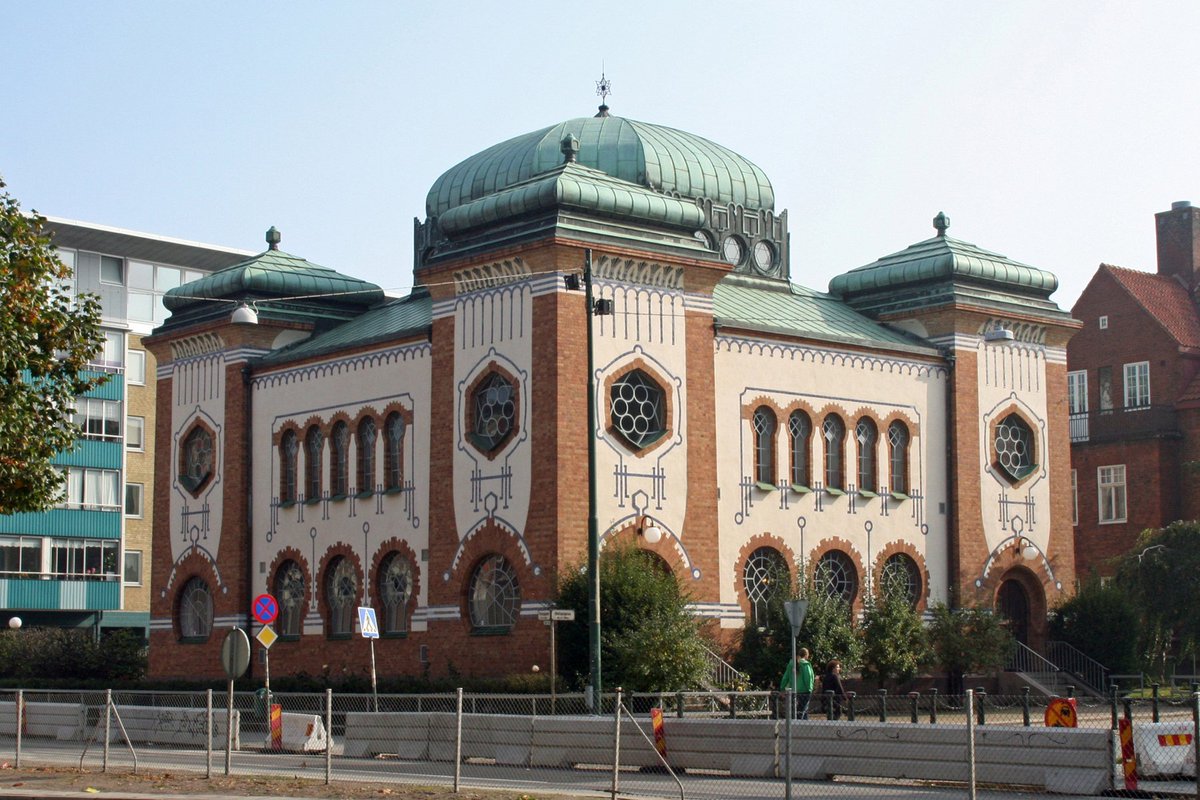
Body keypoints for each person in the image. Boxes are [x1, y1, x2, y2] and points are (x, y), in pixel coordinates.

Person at [780, 647, 816, 719]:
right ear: (806, 655)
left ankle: (800, 724)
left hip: (793, 690)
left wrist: (782, 687)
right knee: (803, 709)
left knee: (796, 710)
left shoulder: (791, 664)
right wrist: (810, 688)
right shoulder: (806, 665)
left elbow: (785, 677)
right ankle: (802, 724)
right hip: (804, 690)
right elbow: (808, 678)